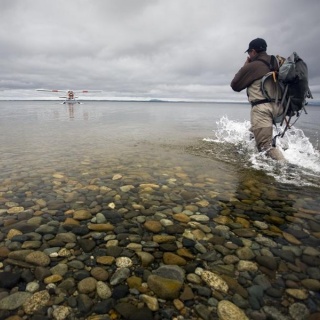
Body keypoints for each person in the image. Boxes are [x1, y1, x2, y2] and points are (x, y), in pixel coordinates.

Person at [231, 38, 285, 161]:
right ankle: (245, 155)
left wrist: (246, 66)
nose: (249, 55)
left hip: (262, 109)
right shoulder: (276, 61)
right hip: (279, 107)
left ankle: (288, 171)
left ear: (253, 52)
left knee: (266, 147)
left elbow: (235, 85)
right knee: (251, 135)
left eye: (249, 52)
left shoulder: (252, 66)